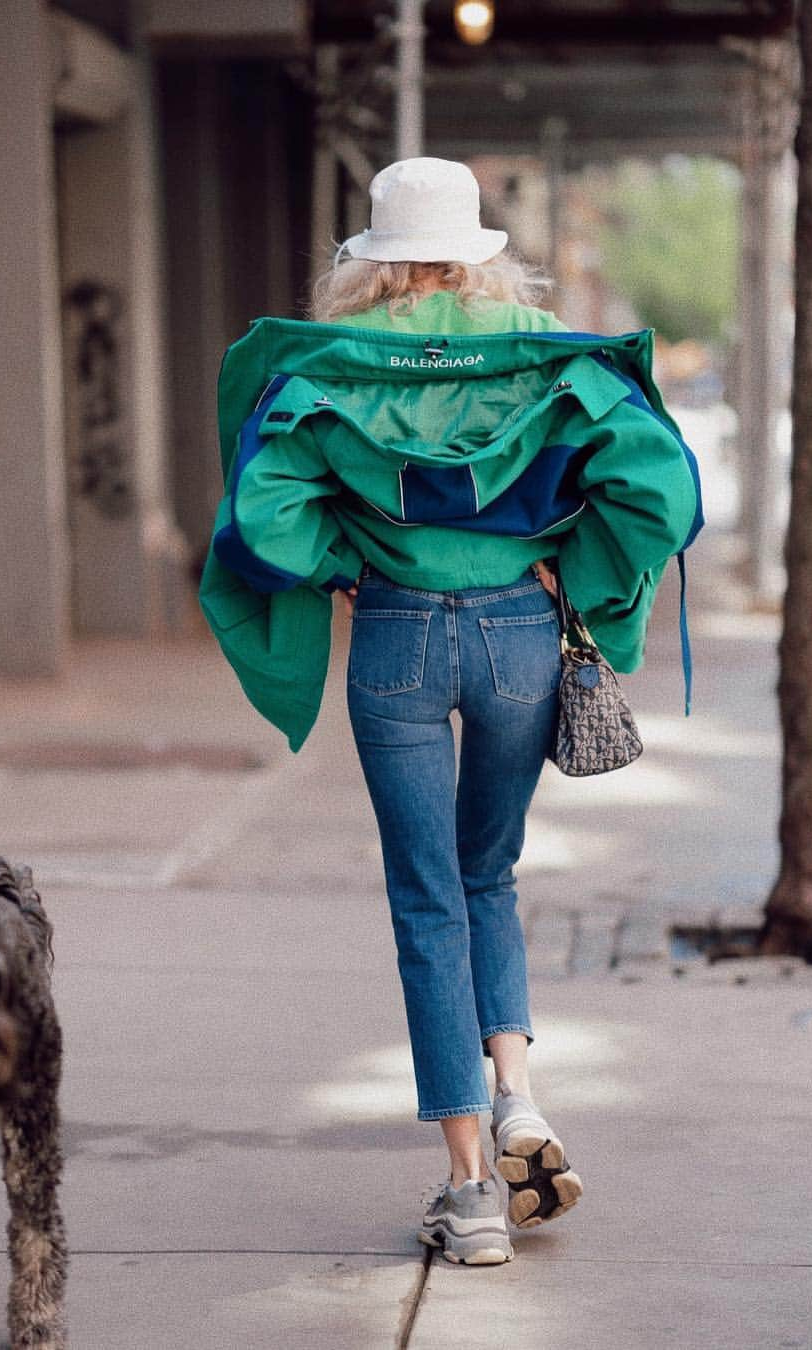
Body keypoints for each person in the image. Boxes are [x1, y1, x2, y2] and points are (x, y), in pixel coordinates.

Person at [199, 157, 700, 1266]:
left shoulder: (337, 371)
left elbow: (260, 520)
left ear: (370, 264)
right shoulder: (537, 362)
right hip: (521, 630)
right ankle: (518, 1091)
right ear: (480, 256)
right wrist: (577, 565)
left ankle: (474, 1191)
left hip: (393, 637)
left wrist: (349, 554)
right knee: (490, 876)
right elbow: (657, 490)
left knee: (427, 898)